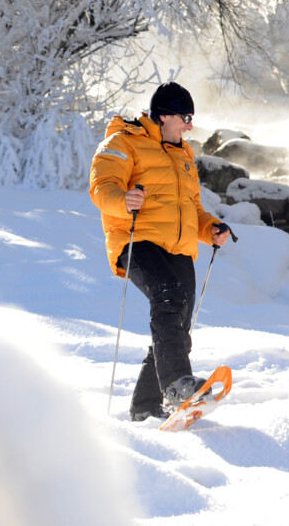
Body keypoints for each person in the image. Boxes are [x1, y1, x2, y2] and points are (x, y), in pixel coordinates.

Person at [90, 82, 232, 421]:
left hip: (179, 248)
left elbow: (191, 206)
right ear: (164, 115)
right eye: (185, 117)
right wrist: (123, 201)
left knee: (179, 326)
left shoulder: (183, 153)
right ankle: (177, 384)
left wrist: (209, 228)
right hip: (137, 240)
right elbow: (102, 186)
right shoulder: (122, 141)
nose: (189, 126)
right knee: (169, 297)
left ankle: (145, 406)